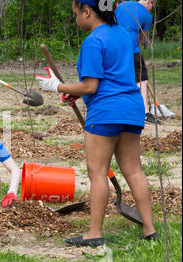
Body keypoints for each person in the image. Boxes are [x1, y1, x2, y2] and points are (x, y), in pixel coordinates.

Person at [36, 0, 157, 247]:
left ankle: (94, 233)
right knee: (134, 170)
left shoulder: (93, 41)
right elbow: (112, 75)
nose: (76, 19)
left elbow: (91, 85)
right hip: (131, 108)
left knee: (97, 172)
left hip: (105, 113)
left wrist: (56, 86)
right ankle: (149, 229)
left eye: (76, 14)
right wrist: (77, 92)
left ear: (87, 11)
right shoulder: (123, 34)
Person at [115, 0, 160, 124]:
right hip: (132, 49)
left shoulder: (123, 5)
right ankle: (144, 112)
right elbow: (142, 38)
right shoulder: (147, 15)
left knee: (118, 77)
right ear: (149, 2)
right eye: (153, 5)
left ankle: (121, 109)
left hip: (114, 47)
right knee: (142, 80)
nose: (152, 8)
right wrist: (136, 46)